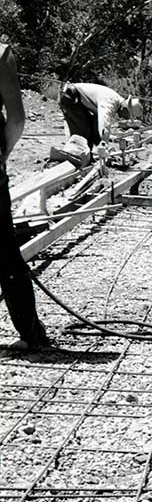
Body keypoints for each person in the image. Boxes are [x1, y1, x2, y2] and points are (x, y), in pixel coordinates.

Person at [0, 45, 52, 349]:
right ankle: (31, 335)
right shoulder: (2, 55)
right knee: (6, 255)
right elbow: (16, 119)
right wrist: (4, 152)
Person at [58, 83, 142, 149]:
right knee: (84, 130)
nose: (125, 118)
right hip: (70, 97)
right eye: (127, 115)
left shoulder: (116, 101)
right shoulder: (111, 102)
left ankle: (87, 157)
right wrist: (104, 143)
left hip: (75, 98)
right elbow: (104, 122)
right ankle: (77, 159)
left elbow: (97, 120)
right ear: (125, 109)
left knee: (92, 125)